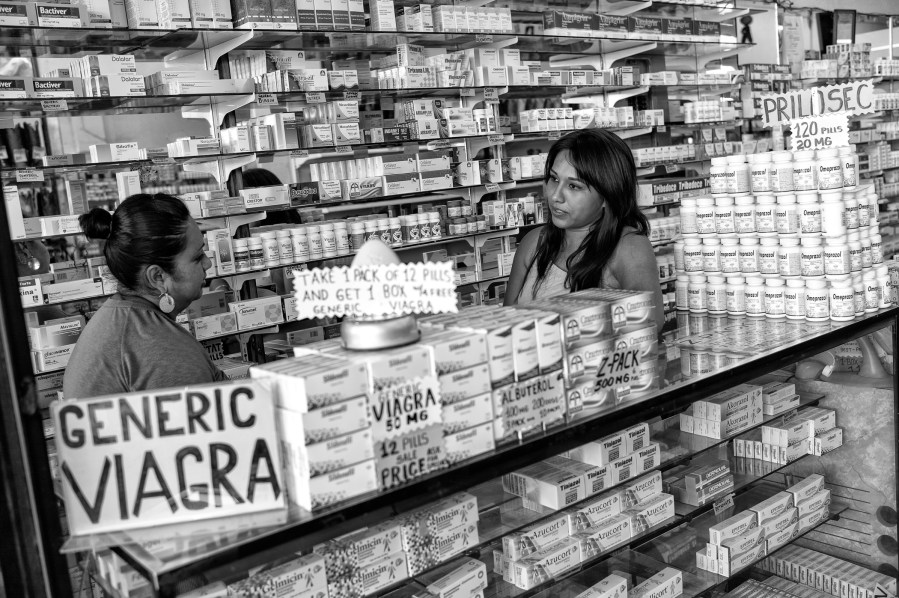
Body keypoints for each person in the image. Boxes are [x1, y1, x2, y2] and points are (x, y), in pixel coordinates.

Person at [63, 193, 225, 398]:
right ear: (157, 277)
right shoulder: (159, 347)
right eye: (197, 257)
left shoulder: (120, 317)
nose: (208, 264)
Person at [504, 129, 665, 330]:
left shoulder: (628, 247)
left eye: (574, 186)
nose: (555, 196)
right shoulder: (534, 242)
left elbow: (649, 324)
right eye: (554, 179)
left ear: (607, 195)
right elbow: (506, 326)